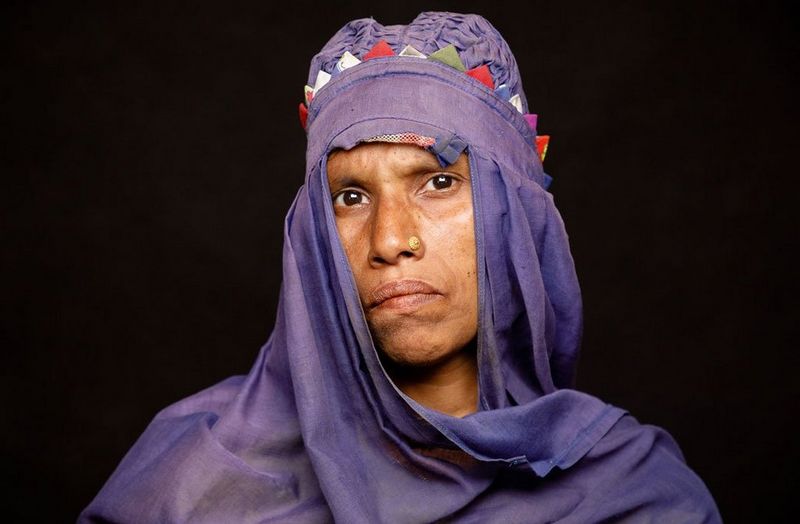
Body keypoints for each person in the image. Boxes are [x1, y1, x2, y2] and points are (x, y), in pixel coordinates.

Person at [80, 12, 720, 522]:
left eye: (439, 183)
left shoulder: (632, 495)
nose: (390, 240)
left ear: (515, 220)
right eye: (350, 198)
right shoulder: (194, 483)